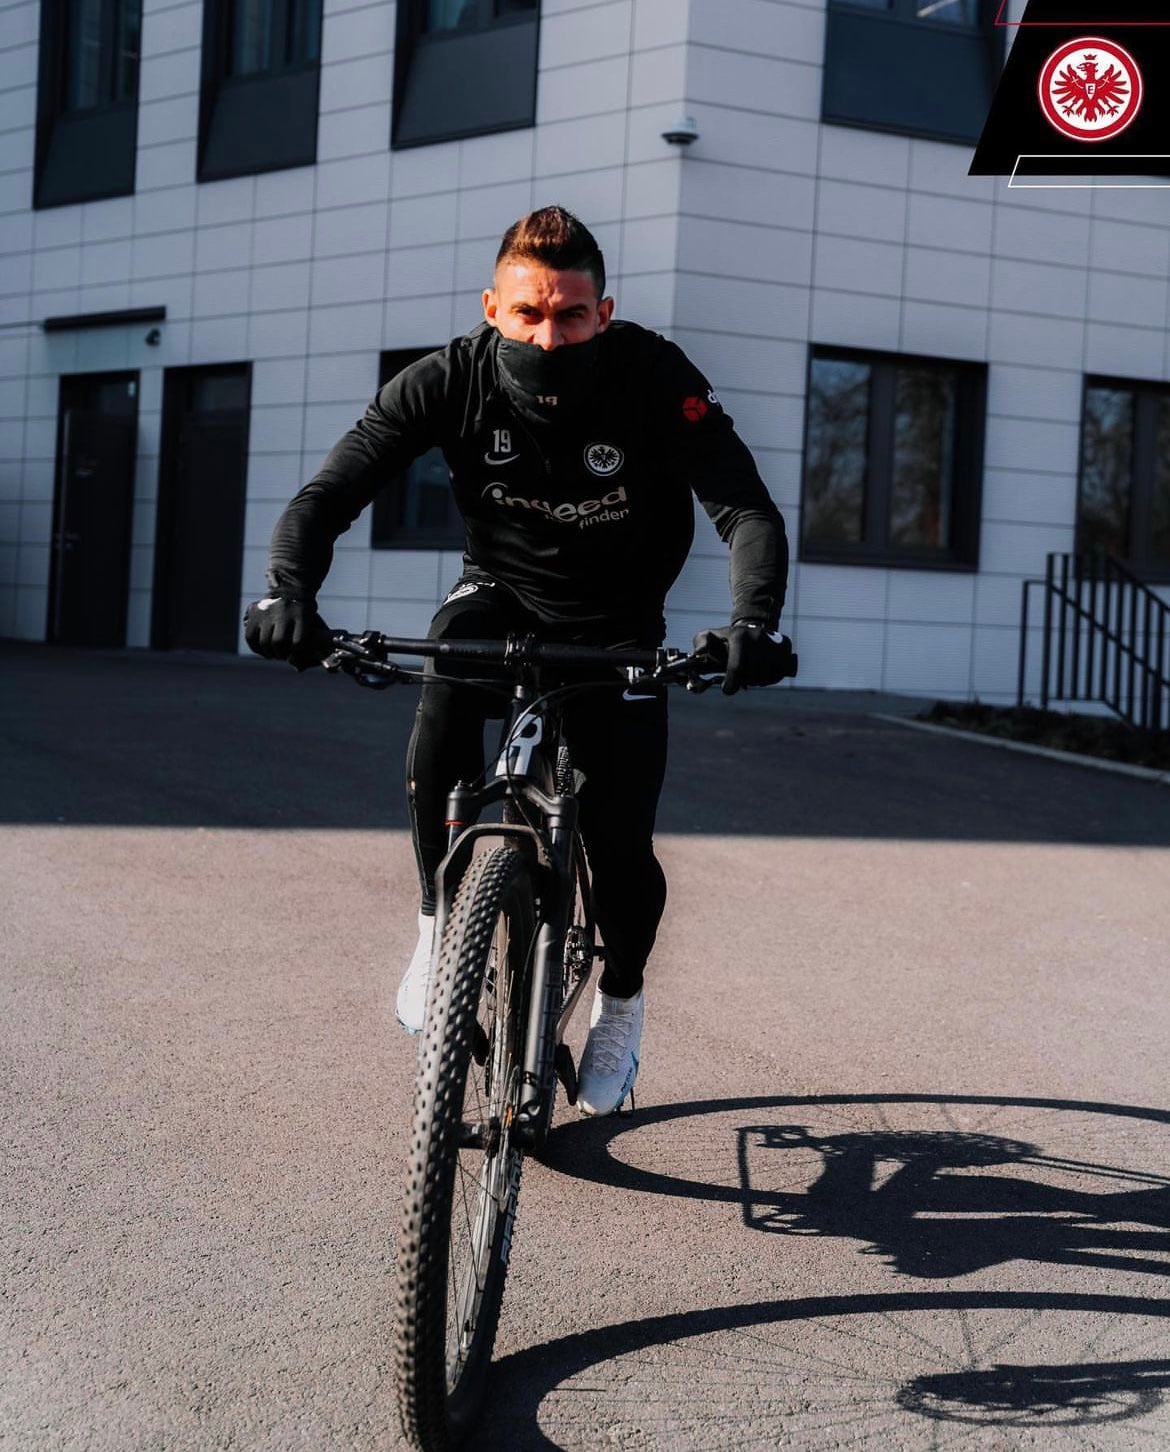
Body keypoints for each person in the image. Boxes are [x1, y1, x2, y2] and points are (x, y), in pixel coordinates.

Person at [245, 206, 790, 1116]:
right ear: (492, 307)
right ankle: (437, 929)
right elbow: (328, 494)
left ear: (602, 313)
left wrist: (755, 623)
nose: (549, 335)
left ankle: (622, 1001)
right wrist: (286, 593)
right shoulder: (449, 378)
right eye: (529, 313)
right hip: (498, 592)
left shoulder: (653, 374)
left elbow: (745, 509)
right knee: (448, 686)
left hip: (618, 622)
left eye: (571, 316)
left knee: (620, 844)